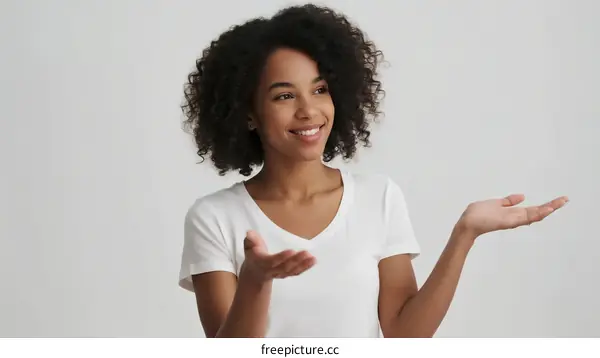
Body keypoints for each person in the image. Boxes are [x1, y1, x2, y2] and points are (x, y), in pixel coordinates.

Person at [177, 4, 568, 338]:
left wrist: (464, 235)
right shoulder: (214, 217)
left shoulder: (378, 197)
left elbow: (403, 334)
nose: (308, 110)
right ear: (247, 114)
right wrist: (255, 281)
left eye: (320, 89)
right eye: (284, 95)